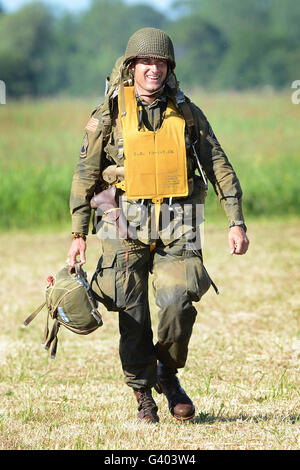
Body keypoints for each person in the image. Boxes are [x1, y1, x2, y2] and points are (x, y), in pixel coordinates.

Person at [67, 27, 249, 424]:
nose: (154, 69)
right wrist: (79, 234)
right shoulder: (108, 115)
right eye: (146, 62)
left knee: (177, 303)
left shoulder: (187, 113)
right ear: (131, 67)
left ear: (169, 67)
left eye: (161, 62)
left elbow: (218, 165)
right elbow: (85, 173)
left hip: (178, 219)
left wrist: (236, 220)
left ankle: (168, 373)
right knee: (132, 316)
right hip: (122, 221)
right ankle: (142, 395)